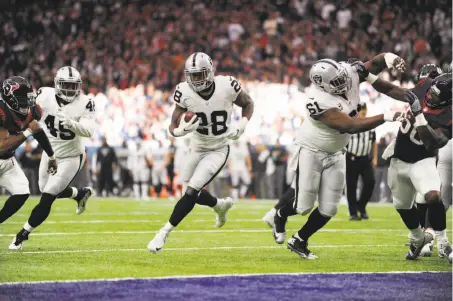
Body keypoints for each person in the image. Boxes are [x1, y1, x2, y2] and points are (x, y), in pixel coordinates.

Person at [272, 53, 409, 259]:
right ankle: (280, 214)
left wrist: (389, 58)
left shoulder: (347, 71)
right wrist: (386, 116)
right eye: (335, 82)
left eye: (341, 78)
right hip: (311, 150)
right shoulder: (316, 100)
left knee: (329, 208)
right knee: (303, 206)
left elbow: (374, 65)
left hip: (337, 152)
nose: (342, 83)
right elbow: (349, 126)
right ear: (321, 85)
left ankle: (299, 239)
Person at [147, 52, 254, 253]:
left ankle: (164, 232)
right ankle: (219, 206)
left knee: (191, 190)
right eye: (192, 75)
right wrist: (178, 130)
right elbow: (173, 121)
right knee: (187, 191)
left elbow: (248, 103)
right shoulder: (183, 91)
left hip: (218, 147)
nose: (196, 79)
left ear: (211, 71)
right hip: (196, 146)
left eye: (200, 74)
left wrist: (243, 124)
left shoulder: (227, 85)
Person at [365, 65, 452, 260]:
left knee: (433, 196)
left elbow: (432, 142)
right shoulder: (426, 86)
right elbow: (391, 90)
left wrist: (418, 114)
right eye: (431, 92)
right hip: (399, 158)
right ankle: (417, 238)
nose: (430, 96)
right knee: (402, 205)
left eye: (437, 97)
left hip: (423, 160)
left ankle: (443, 242)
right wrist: (368, 76)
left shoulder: (449, 115)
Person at [9, 67, 95, 250]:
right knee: (44, 189)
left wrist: (72, 124)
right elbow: (28, 111)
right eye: (66, 85)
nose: (70, 90)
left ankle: (21, 235)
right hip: (51, 155)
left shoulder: (86, 102)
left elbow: (89, 130)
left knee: (47, 197)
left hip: (72, 156)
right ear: (57, 84)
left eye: (74, 86)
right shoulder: (44, 94)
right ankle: (79, 194)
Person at [0, 76, 57, 225]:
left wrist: (51, 156)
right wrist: (26, 133)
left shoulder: (31, 110)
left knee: (22, 192)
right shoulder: (2, 111)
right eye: (21, 98)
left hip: (7, 160)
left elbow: (37, 130)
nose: (27, 102)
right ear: (10, 98)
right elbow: (2, 144)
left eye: (27, 97)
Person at [345, 103, 377, 220]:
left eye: (365, 111)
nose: (364, 113)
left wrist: (374, 158)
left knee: (370, 182)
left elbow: (374, 142)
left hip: (365, 159)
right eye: (362, 111)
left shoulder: (370, 125)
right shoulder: (351, 123)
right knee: (351, 186)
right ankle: (353, 212)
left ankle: (361, 206)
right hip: (351, 158)